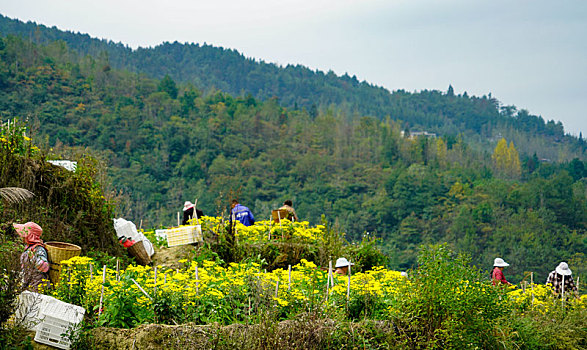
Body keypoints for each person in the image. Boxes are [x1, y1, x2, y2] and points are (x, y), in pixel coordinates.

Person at [13, 222, 50, 291]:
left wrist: (34, 258)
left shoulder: (38, 248)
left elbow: (44, 266)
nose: (21, 236)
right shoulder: (29, 247)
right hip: (29, 285)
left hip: (38, 288)